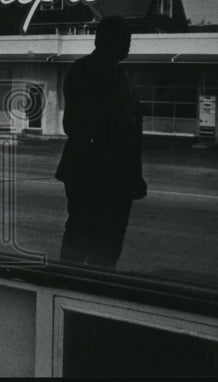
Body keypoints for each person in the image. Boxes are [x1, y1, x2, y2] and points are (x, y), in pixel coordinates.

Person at [55, 16, 146, 267]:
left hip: (109, 174)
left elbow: (130, 131)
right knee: (91, 242)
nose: (129, 46)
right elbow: (77, 125)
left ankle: (84, 289)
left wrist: (134, 175)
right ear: (109, 40)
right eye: (125, 40)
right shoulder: (88, 70)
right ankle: (77, 290)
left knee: (100, 243)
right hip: (96, 173)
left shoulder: (114, 73)